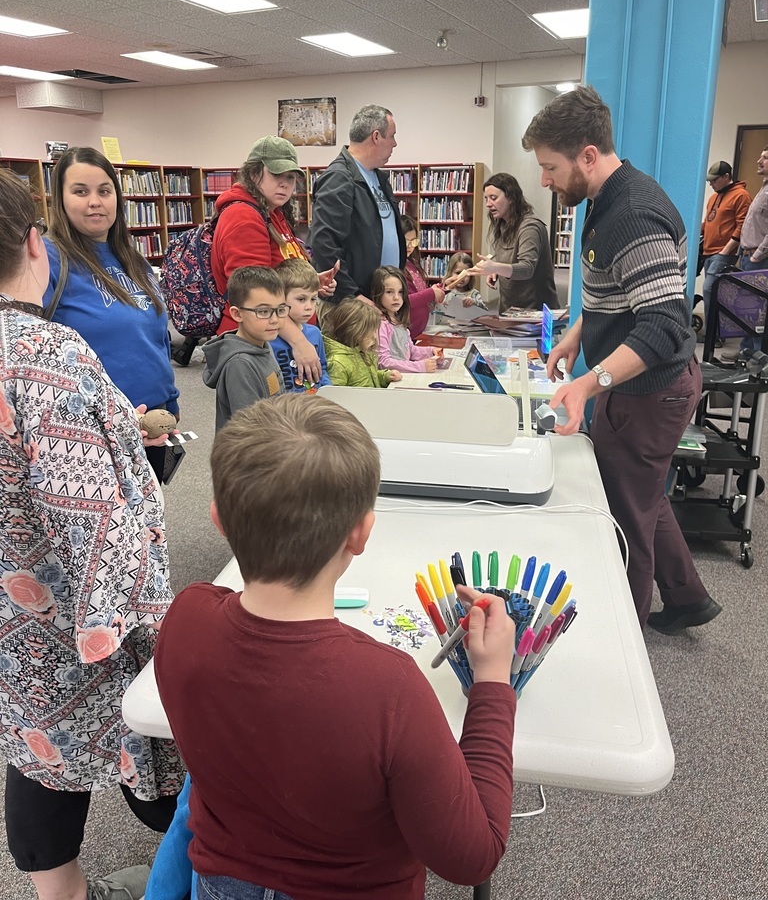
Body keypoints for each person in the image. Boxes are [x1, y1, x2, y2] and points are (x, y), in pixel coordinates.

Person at [153, 393, 517, 900]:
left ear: (218, 518)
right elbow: (472, 855)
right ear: (361, 534)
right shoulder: (388, 687)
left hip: (220, 884)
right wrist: (494, 683)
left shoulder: (186, 616)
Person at [0, 169, 183, 900]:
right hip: (78, 611)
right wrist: (152, 631)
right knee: (154, 741)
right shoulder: (49, 355)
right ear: (38, 244)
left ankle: (60, 895)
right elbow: (98, 523)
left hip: (12, 616)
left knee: (34, 744)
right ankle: (201, 879)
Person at [521, 85, 720, 634]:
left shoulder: (633, 212)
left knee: (624, 515)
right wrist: (574, 337)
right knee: (641, 492)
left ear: (588, 155)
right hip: (633, 384)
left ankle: (622, 638)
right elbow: (618, 294)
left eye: (550, 167)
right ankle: (688, 597)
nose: (544, 180)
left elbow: (662, 324)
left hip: (650, 389)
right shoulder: (602, 200)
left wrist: (589, 383)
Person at [43, 146, 179, 484]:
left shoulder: (133, 260)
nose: (95, 201)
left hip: (152, 419)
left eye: (104, 191)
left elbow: (155, 337)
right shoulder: (48, 260)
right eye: (80, 191)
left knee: (150, 521)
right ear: (59, 199)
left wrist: (171, 402)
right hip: (92, 430)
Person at [209, 136, 337, 383]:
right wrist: (299, 341)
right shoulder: (244, 217)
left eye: (290, 177)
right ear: (254, 173)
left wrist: (308, 285)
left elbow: (275, 272)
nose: (285, 184)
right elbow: (254, 295)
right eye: (277, 174)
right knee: (268, 417)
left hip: (280, 336)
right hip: (262, 342)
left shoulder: (270, 211)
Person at [309, 105, 406, 304]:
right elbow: (324, 245)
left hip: (381, 297)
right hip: (356, 303)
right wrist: (352, 295)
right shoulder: (339, 178)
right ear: (376, 137)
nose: (395, 144)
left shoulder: (379, 177)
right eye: (392, 136)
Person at [445, 173, 559, 312]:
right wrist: (496, 271)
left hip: (535, 312)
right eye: (486, 198)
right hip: (509, 308)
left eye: (493, 198)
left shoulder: (530, 228)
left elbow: (526, 269)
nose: (488, 204)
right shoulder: (502, 224)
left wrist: (496, 267)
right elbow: (507, 258)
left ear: (511, 197)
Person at [202, 266, 286, 432]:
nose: (275, 319)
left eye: (281, 310)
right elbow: (250, 430)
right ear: (237, 314)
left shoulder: (262, 344)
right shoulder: (240, 365)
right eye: (263, 311)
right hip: (252, 452)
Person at [700, 160, 751, 328]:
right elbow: (708, 222)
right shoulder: (714, 197)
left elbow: (741, 225)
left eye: (714, 180)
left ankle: (713, 334)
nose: (711, 184)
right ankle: (715, 333)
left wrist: (725, 251)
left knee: (710, 290)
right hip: (708, 251)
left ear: (726, 177)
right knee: (713, 293)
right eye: (710, 181)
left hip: (723, 254)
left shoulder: (741, 195)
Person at [271, 258, 331, 393]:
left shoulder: (315, 333)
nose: (309, 307)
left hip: (314, 405)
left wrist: (328, 390)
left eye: (313, 299)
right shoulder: (269, 339)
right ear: (280, 298)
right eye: (301, 299)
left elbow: (322, 368)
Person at [371, 266, 440, 373]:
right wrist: (419, 367)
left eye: (400, 292)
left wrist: (431, 352)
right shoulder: (380, 325)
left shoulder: (398, 320)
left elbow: (410, 351)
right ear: (377, 293)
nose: (396, 298)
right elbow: (383, 362)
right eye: (389, 292)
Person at [323, 298, 402, 387]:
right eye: (370, 331)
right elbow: (332, 397)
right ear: (354, 331)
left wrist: (385, 376)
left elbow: (368, 377)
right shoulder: (337, 363)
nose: (375, 337)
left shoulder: (363, 352)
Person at [735, 146, 768, 356]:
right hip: (749, 257)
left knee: (758, 311)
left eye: (765, 158)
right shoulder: (763, 189)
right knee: (749, 309)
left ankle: (755, 357)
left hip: (761, 260)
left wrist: (756, 256)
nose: (759, 160)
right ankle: (746, 352)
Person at [401, 216, 445, 337]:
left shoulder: (412, 263)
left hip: (418, 332)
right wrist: (431, 293)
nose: (410, 246)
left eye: (414, 241)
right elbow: (403, 301)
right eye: (406, 241)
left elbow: (420, 292)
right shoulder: (395, 267)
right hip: (405, 334)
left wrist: (439, 288)